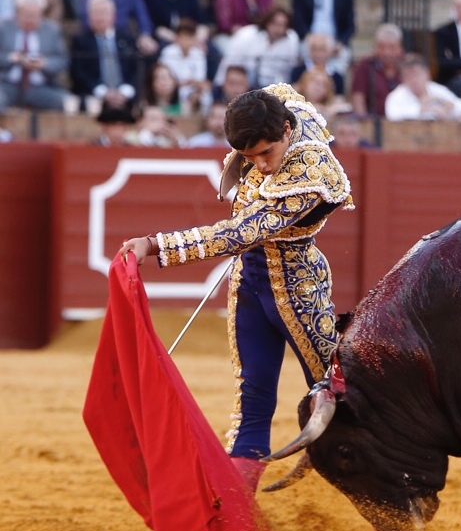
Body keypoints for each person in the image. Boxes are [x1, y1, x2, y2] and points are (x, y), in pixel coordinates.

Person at [117, 84, 355, 493]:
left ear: (285, 129)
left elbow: (241, 232)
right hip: (249, 285)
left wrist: (157, 245)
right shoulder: (281, 106)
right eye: (249, 157)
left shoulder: (312, 171)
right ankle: (235, 511)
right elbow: (277, 94)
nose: (260, 167)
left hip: (300, 290)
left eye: (266, 153)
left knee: (340, 404)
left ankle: (388, 516)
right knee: (253, 399)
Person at [0, 0, 70, 111]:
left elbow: (62, 60)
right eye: (27, 15)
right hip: (6, 84)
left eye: (35, 16)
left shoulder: (52, 30)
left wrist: (44, 64)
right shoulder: (4, 28)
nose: (30, 20)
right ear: (17, 13)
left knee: (66, 102)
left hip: (40, 87)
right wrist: (11, 58)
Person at [70, 0, 139, 111]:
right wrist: (102, 92)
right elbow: (78, 72)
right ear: (89, 17)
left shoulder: (127, 39)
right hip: (94, 94)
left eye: (104, 12)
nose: (100, 17)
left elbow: (136, 69)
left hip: (125, 94)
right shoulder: (80, 41)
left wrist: (124, 91)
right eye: (96, 13)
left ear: (114, 15)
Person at [214, 7, 300, 89]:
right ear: (267, 22)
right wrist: (218, 87)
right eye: (275, 24)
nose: (279, 29)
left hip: (276, 88)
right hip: (247, 87)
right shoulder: (245, 36)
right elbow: (228, 64)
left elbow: (290, 69)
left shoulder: (292, 39)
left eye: (283, 25)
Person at [384, 53, 461, 122]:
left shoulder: (438, 90)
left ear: (427, 75)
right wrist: (422, 109)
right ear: (403, 79)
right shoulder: (396, 96)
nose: (414, 80)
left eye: (417, 74)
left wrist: (449, 106)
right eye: (408, 76)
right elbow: (392, 115)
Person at [348, 22, 403, 116]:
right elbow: (358, 97)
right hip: (373, 122)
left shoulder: (406, 65)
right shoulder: (366, 65)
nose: (386, 53)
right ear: (375, 47)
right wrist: (364, 123)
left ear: (400, 48)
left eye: (391, 47)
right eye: (382, 47)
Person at [290, 32, 346, 96]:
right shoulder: (297, 72)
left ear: (329, 51)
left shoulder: (337, 78)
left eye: (322, 49)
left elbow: (339, 99)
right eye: (314, 49)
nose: (318, 54)